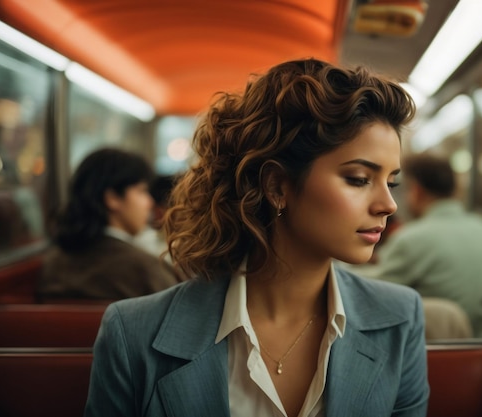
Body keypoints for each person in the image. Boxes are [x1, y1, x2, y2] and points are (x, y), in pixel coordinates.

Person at [84, 58, 429, 417]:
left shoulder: (399, 318)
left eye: (392, 183)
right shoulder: (132, 333)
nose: (388, 205)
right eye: (358, 179)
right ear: (277, 186)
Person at [351, 153, 482, 337]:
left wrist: (332, 268)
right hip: (481, 340)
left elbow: (369, 288)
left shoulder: (412, 238)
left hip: (432, 344)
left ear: (416, 190)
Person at [38, 148, 179, 301]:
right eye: (141, 191)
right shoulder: (145, 269)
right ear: (112, 198)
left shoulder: (53, 264)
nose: (149, 202)